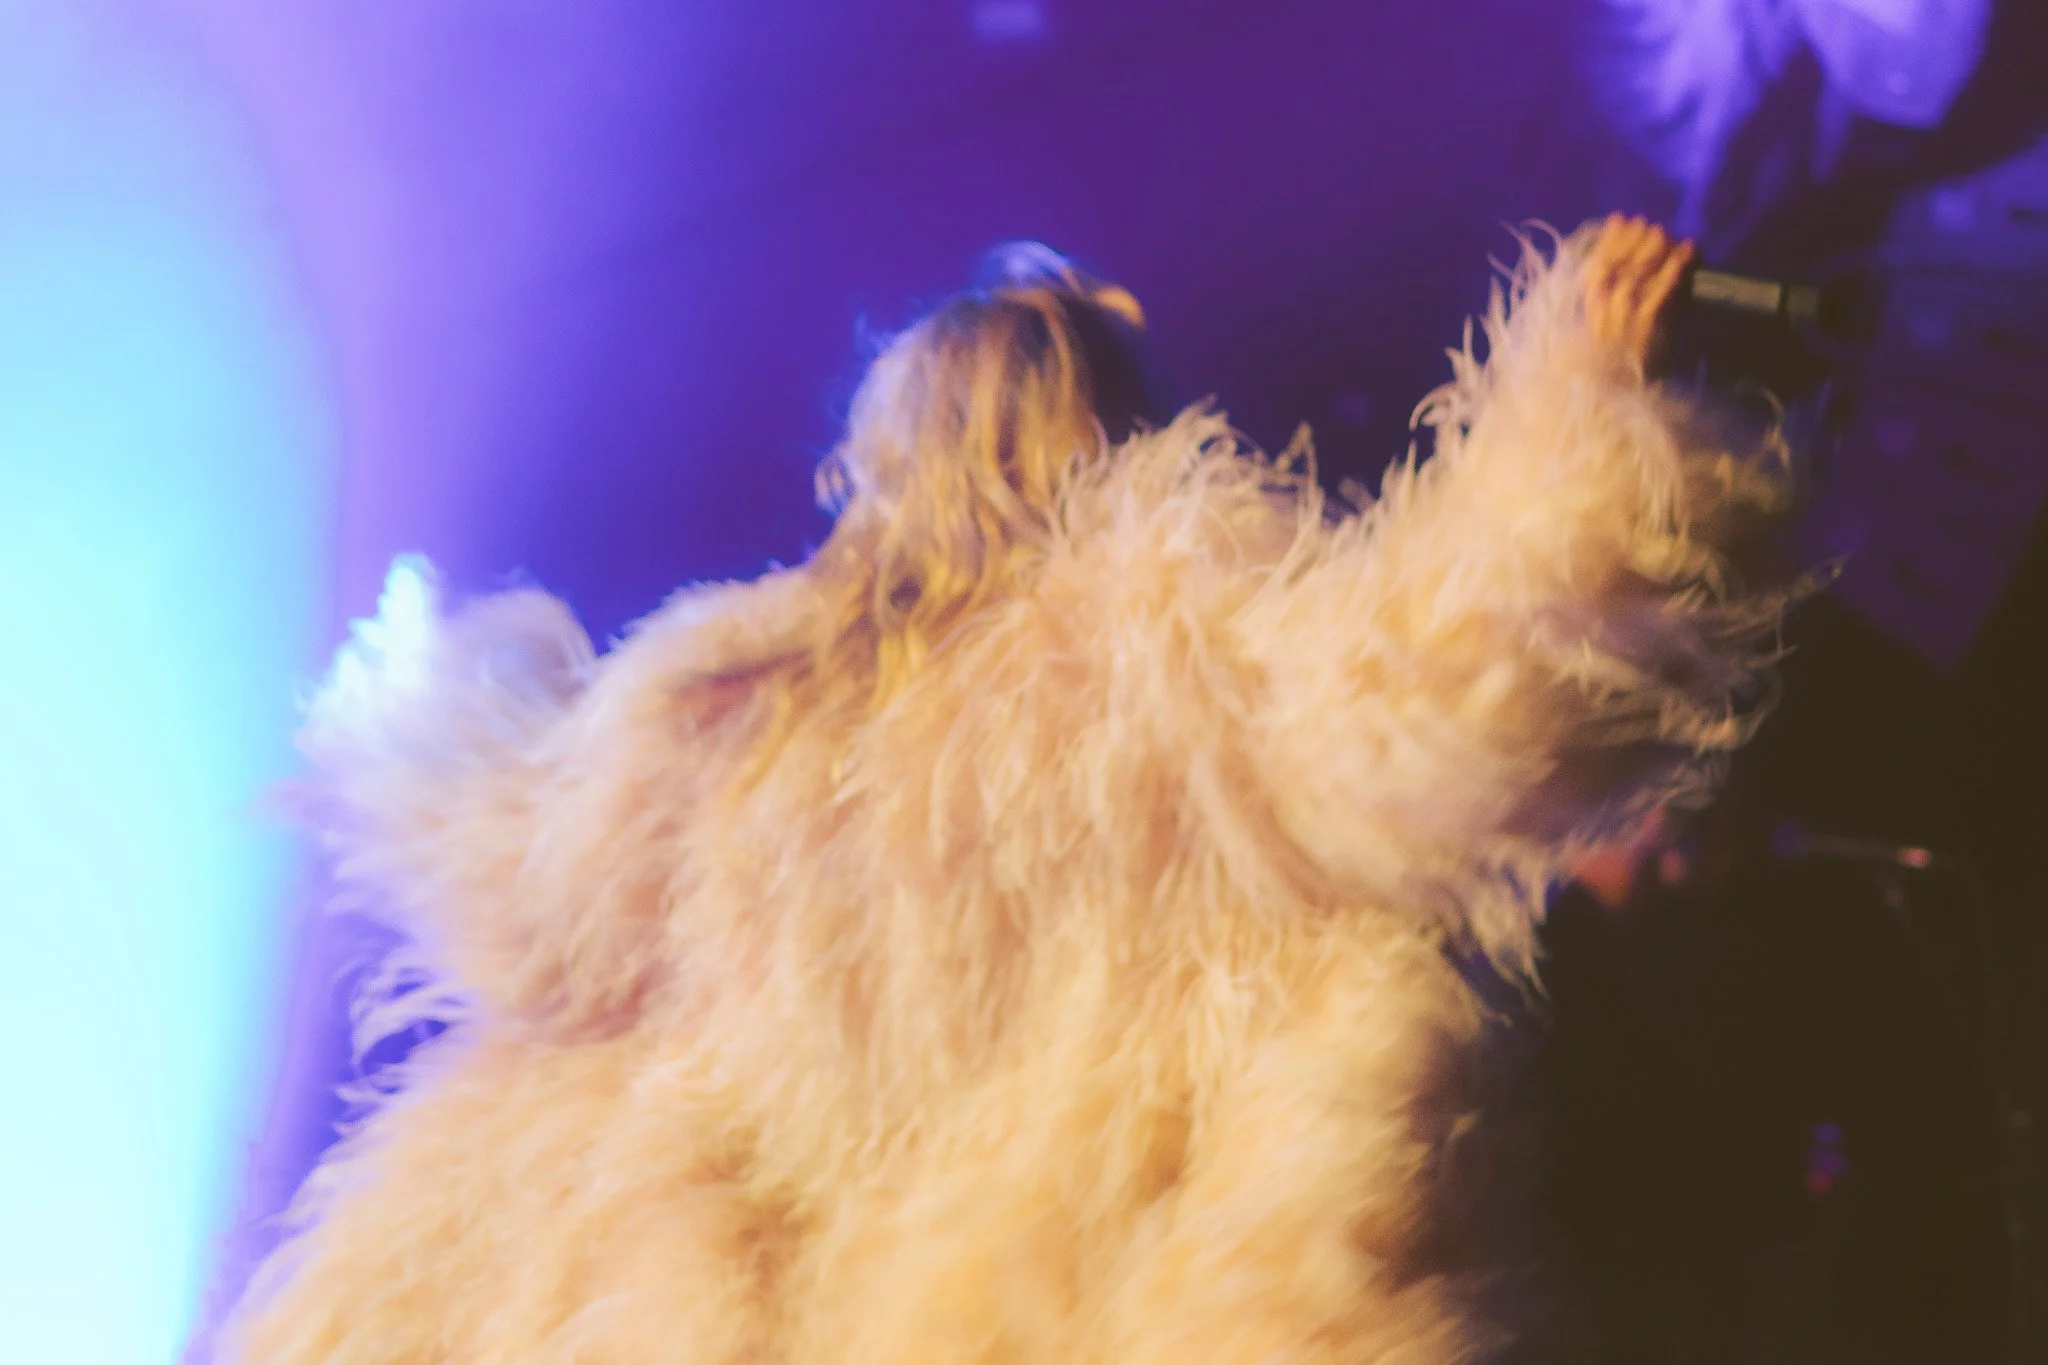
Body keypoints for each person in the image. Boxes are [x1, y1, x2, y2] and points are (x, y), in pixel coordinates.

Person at [217, 215, 1804, 1362]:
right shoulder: (1157, 640)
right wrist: (1584, 393)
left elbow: (527, 908)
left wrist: (436, 712)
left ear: (889, 448)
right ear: (1106, 426)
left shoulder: (712, 713)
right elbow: (1448, 687)